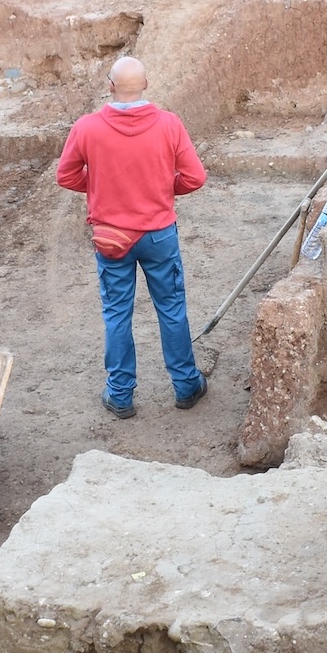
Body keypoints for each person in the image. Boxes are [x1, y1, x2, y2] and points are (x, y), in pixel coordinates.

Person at [55, 57, 207, 419]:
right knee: (171, 309)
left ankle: (120, 395)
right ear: (146, 84)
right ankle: (187, 386)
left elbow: (66, 175)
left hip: (111, 238)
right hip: (159, 236)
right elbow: (195, 177)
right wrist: (162, 189)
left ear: (110, 86)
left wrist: (102, 187)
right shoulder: (169, 124)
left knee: (117, 314)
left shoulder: (87, 128)